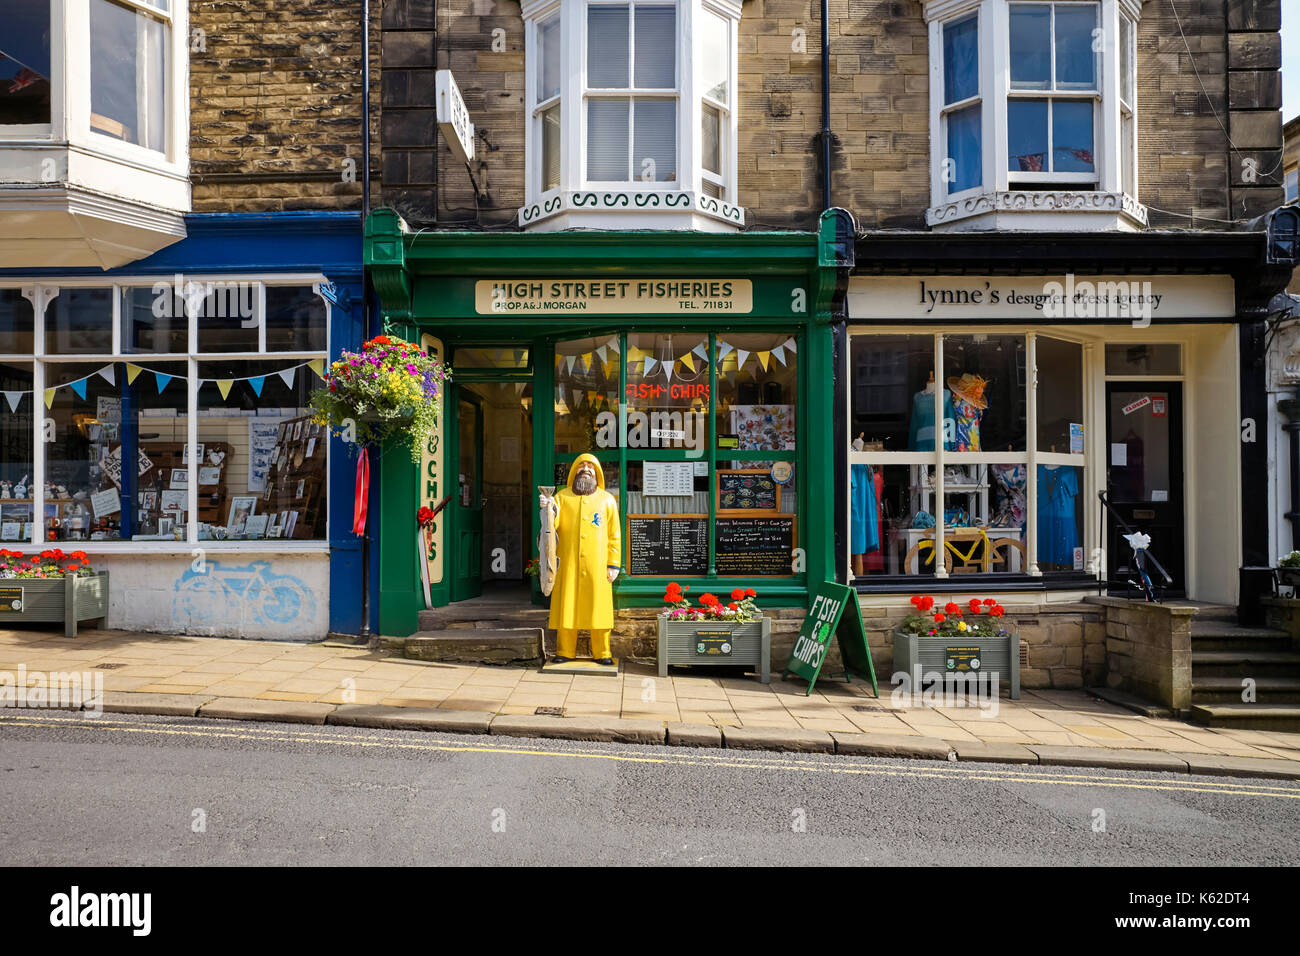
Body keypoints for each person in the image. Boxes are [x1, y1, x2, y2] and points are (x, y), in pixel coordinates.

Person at [538, 454, 621, 665]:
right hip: (568, 563)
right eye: (581, 466)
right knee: (567, 605)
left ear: (598, 472)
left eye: (590, 466)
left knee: (599, 608)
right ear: (574, 471)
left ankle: (602, 652)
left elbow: (614, 536)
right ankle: (565, 650)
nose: (586, 469)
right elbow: (551, 526)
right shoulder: (562, 498)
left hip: (598, 564)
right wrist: (547, 507)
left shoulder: (607, 500)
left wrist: (613, 564)